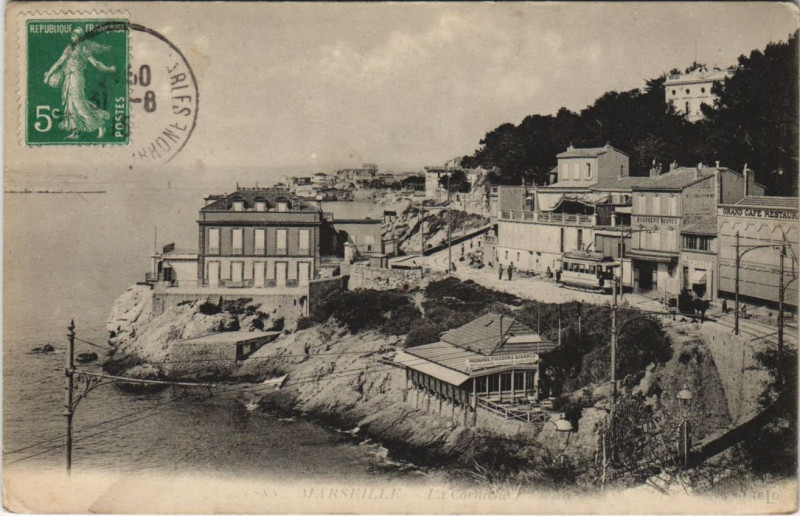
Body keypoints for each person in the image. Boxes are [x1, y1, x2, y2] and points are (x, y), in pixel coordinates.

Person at [44, 27, 116, 140]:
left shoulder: (83, 48)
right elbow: (59, 62)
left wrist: (108, 69)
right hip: (68, 78)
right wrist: (48, 75)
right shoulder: (70, 48)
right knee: (70, 104)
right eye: (72, 34)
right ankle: (75, 131)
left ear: (80, 37)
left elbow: (95, 63)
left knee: (78, 103)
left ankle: (99, 124)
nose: (72, 36)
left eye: (74, 34)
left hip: (76, 77)